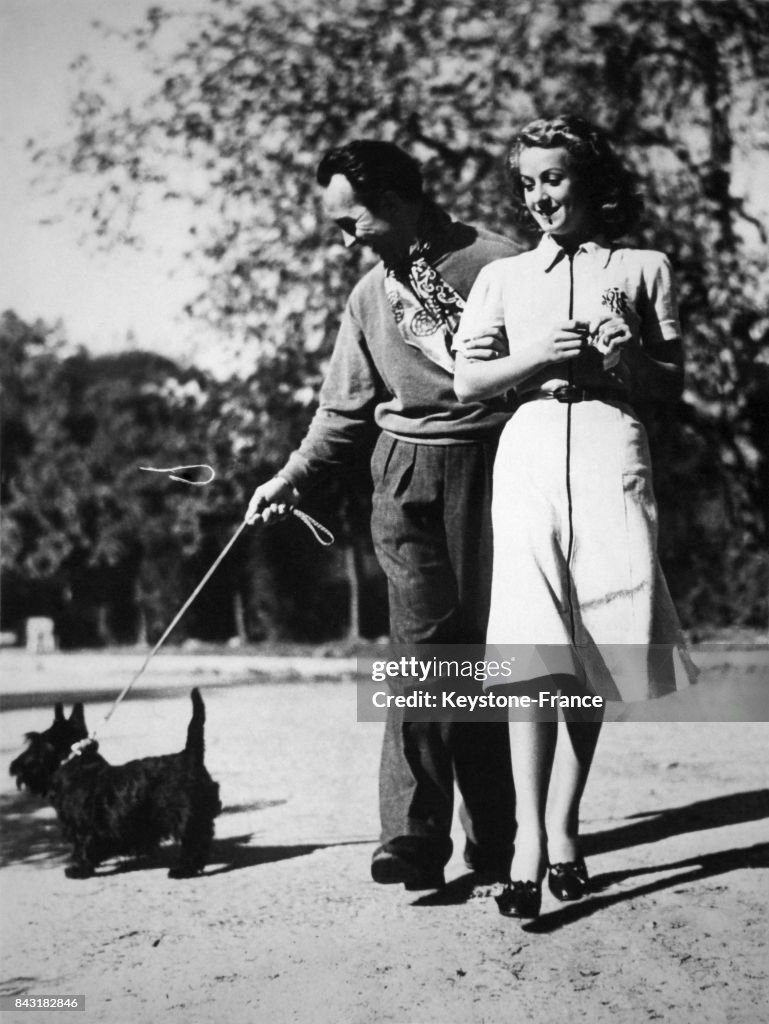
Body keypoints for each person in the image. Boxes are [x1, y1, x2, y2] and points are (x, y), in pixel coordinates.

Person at [246, 139, 519, 890]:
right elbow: (343, 410)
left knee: (479, 660)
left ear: (397, 201)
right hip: (401, 479)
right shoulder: (367, 295)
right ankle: (411, 835)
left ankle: (495, 839)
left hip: (495, 470)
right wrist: (289, 479)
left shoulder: (501, 264)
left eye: (350, 223)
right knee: (421, 654)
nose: (342, 242)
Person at [453, 115, 697, 919]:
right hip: (526, 452)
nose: (539, 196)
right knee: (531, 642)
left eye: (553, 178)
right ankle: (524, 837)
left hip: (608, 448)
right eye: (526, 183)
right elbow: (467, 382)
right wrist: (539, 359)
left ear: (592, 180)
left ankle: (563, 826)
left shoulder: (643, 266)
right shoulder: (503, 278)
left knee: (590, 642)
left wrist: (628, 354)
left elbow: (671, 382)